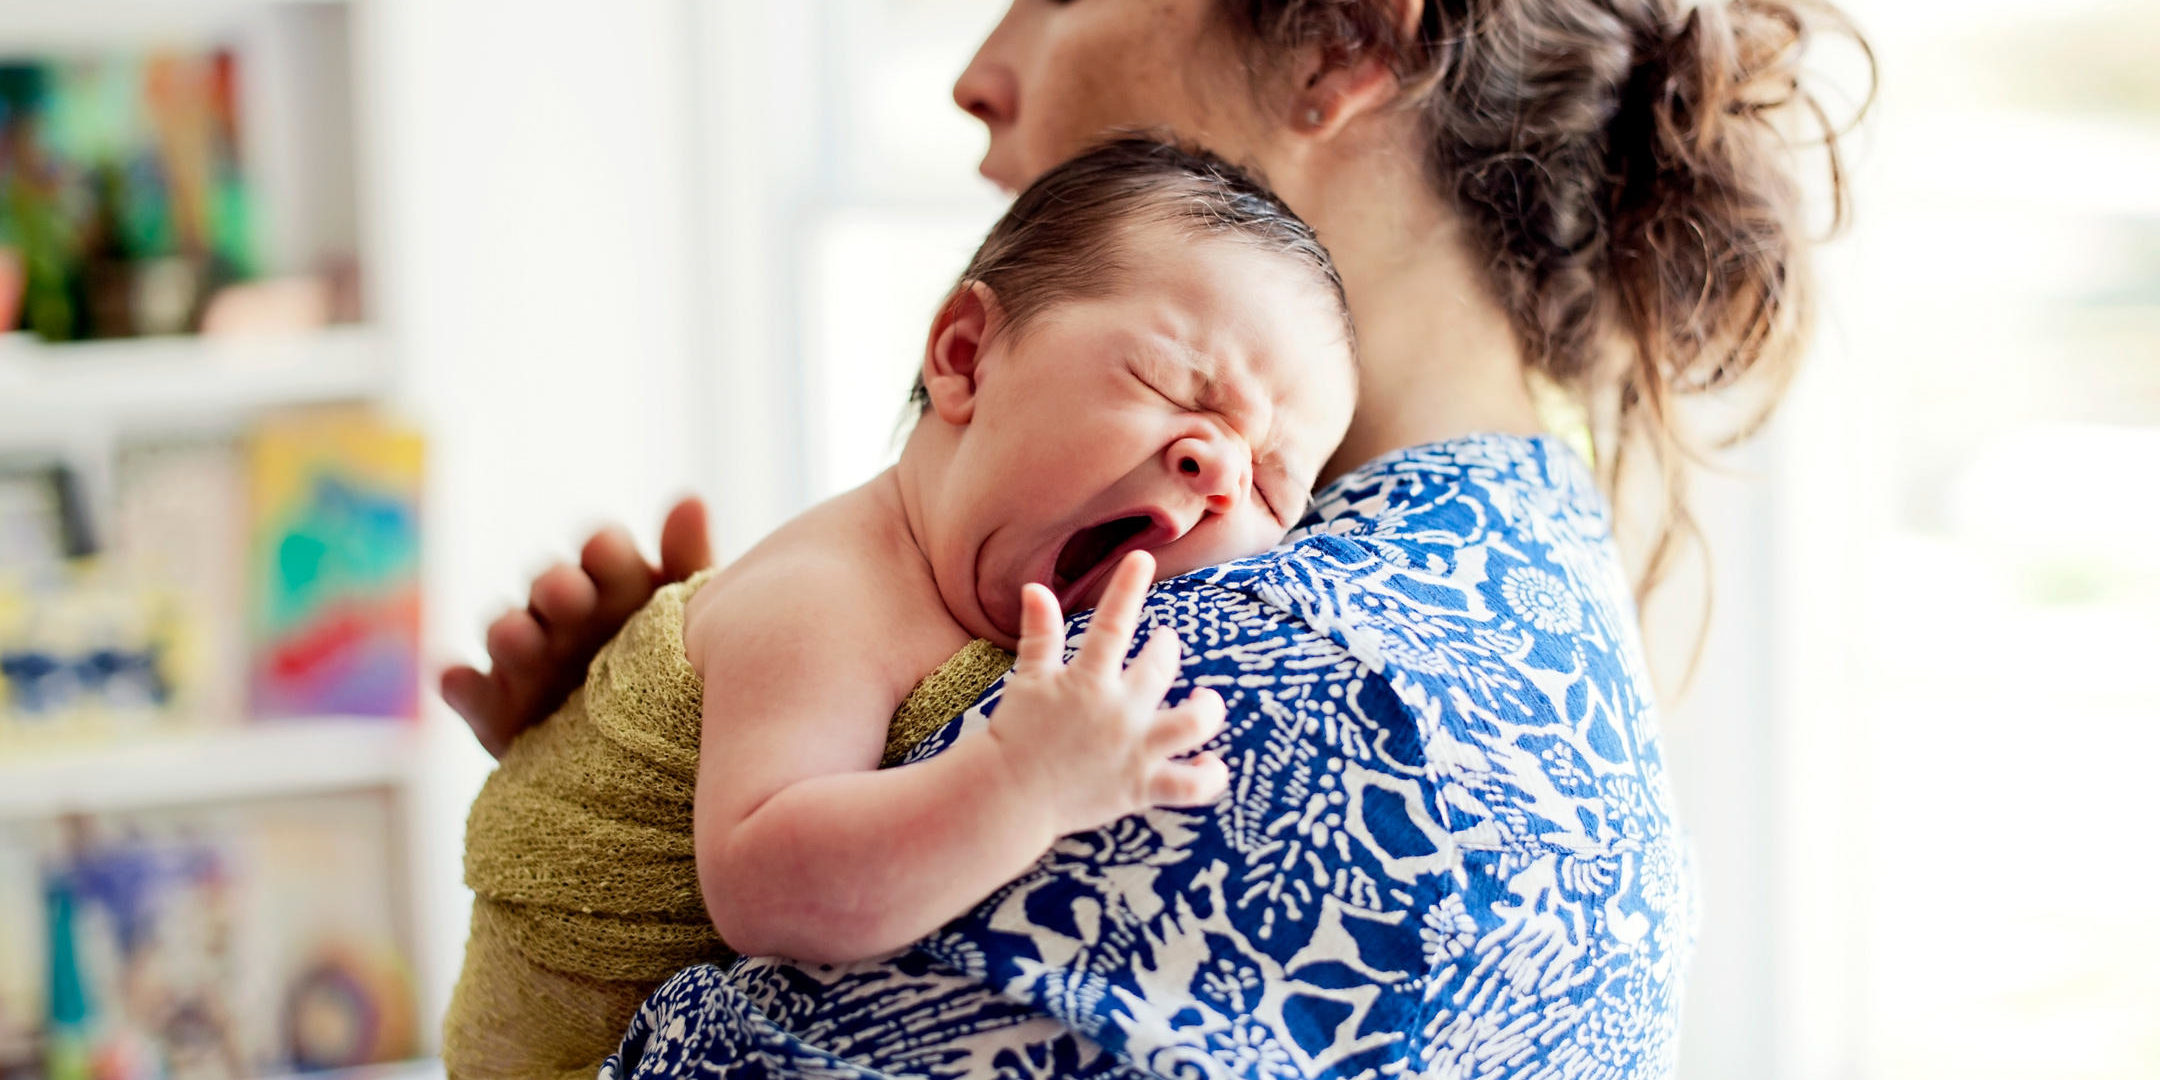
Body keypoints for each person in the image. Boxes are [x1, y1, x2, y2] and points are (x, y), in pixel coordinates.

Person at [442, 0, 1867, 1075]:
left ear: (1338, 40)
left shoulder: (1293, 683)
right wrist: (627, 764)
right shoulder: (1503, 576)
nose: (978, 74)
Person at [441, 140, 1359, 1080]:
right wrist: (1020, 783)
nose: (1220, 474)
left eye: (1273, 487)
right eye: (1173, 387)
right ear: (966, 358)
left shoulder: (1005, 596)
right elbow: (766, 888)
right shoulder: (828, 599)